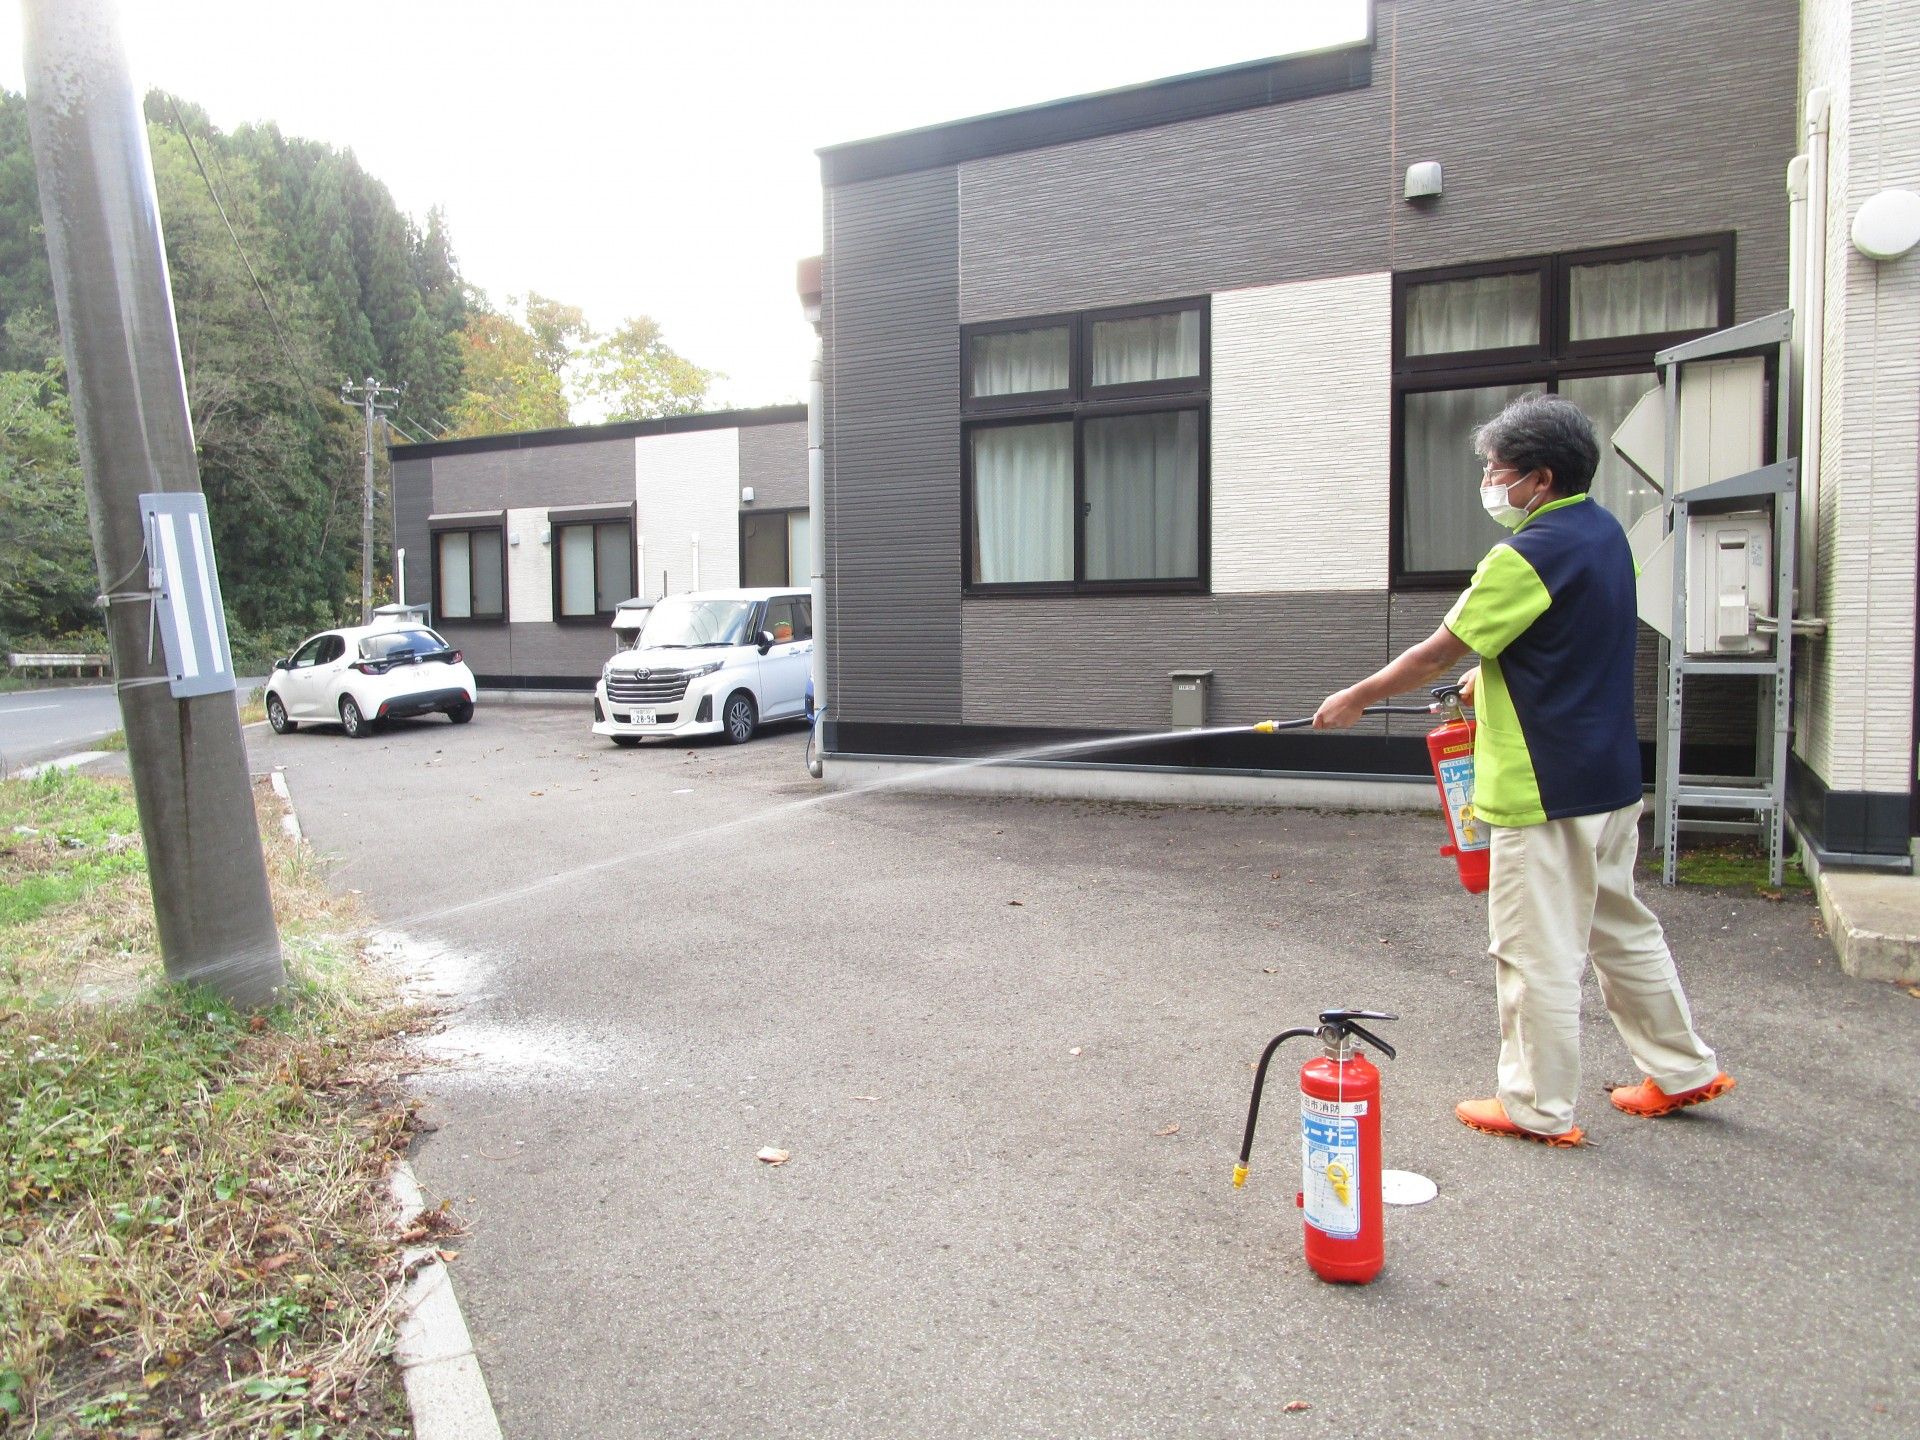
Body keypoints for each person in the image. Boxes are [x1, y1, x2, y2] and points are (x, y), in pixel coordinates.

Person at [1312, 393, 1732, 1146]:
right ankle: (1681, 1068)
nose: (1488, 479)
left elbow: (1438, 652)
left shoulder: (1525, 553)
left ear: (1538, 478)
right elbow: (1563, 637)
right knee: (1619, 927)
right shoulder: (1602, 533)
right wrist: (1489, 675)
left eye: (1495, 468)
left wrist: (1358, 698)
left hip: (1545, 787)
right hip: (1607, 779)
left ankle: (1536, 1105)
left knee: (1534, 949)